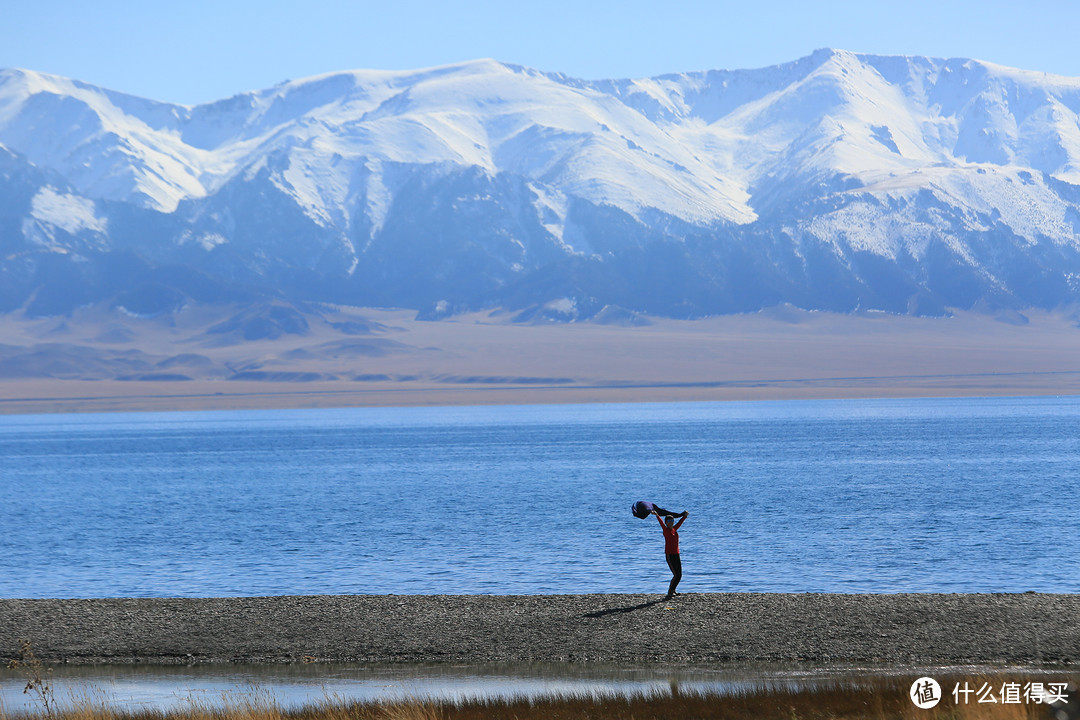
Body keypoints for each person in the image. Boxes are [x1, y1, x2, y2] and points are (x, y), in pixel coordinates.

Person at [655, 509, 688, 599]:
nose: (671, 522)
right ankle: (670, 592)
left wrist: (684, 516)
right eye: (669, 521)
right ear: (666, 522)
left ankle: (673, 590)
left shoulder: (674, 529)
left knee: (679, 575)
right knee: (676, 575)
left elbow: (680, 523)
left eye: (672, 521)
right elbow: (661, 523)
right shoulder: (666, 530)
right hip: (670, 555)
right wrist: (657, 515)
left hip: (677, 554)